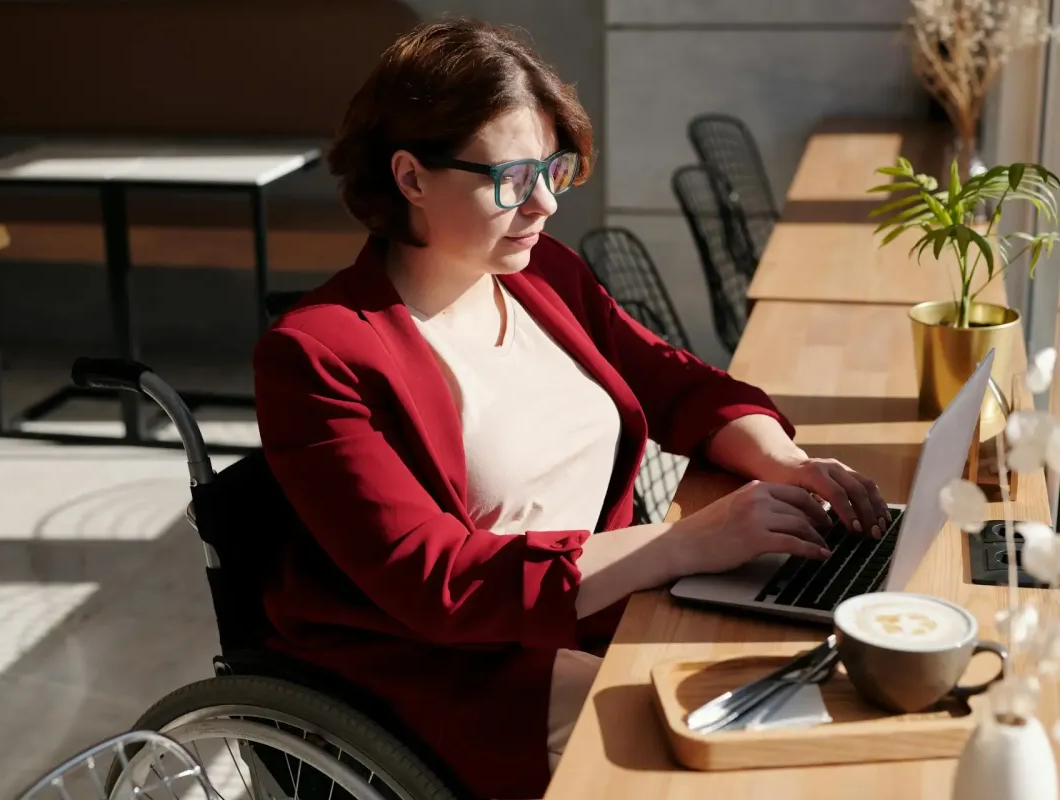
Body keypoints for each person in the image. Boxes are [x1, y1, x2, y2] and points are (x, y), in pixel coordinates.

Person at [252, 18, 890, 800]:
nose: (547, 203)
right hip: (458, 673)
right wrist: (686, 541)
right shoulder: (318, 354)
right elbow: (436, 583)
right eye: (512, 179)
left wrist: (782, 459)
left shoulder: (539, 272)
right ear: (411, 178)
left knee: (825, 688)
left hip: (598, 609)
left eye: (555, 167)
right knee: (724, 763)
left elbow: (671, 378)